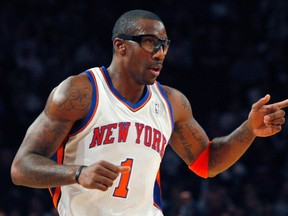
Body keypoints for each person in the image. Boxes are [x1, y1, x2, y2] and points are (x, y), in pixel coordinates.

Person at [10, 9, 288, 216]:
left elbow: (208, 162)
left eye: (164, 45)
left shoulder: (172, 102)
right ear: (120, 46)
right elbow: (21, 167)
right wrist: (77, 173)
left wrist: (249, 130)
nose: (160, 53)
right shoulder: (79, 93)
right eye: (150, 42)